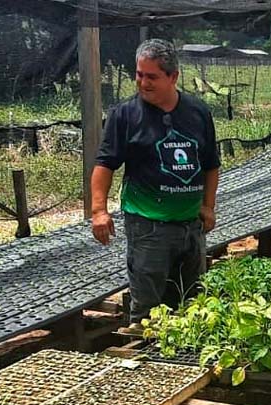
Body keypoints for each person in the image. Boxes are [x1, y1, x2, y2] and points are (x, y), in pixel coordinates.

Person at [90, 39, 220, 321]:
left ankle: (181, 362)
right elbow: (105, 164)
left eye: (152, 76)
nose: (143, 83)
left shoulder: (198, 113)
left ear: (173, 77)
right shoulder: (124, 115)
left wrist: (208, 206)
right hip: (148, 227)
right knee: (148, 308)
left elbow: (211, 165)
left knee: (191, 303)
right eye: (139, 74)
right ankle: (144, 360)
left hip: (190, 227)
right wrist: (99, 211)